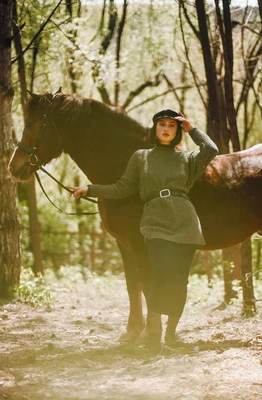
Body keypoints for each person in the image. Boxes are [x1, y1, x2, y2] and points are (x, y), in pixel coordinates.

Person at [69, 109, 219, 351]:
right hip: (154, 222)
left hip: (186, 222)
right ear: (155, 129)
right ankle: (154, 332)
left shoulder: (188, 159)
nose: (167, 128)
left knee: (180, 280)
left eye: (172, 125)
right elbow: (122, 188)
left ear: (177, 131)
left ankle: (172, 334)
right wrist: (90, 189)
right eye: (162, 124)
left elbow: (211, 150)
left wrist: (192, 129)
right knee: (157, 275)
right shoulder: (141, 157)